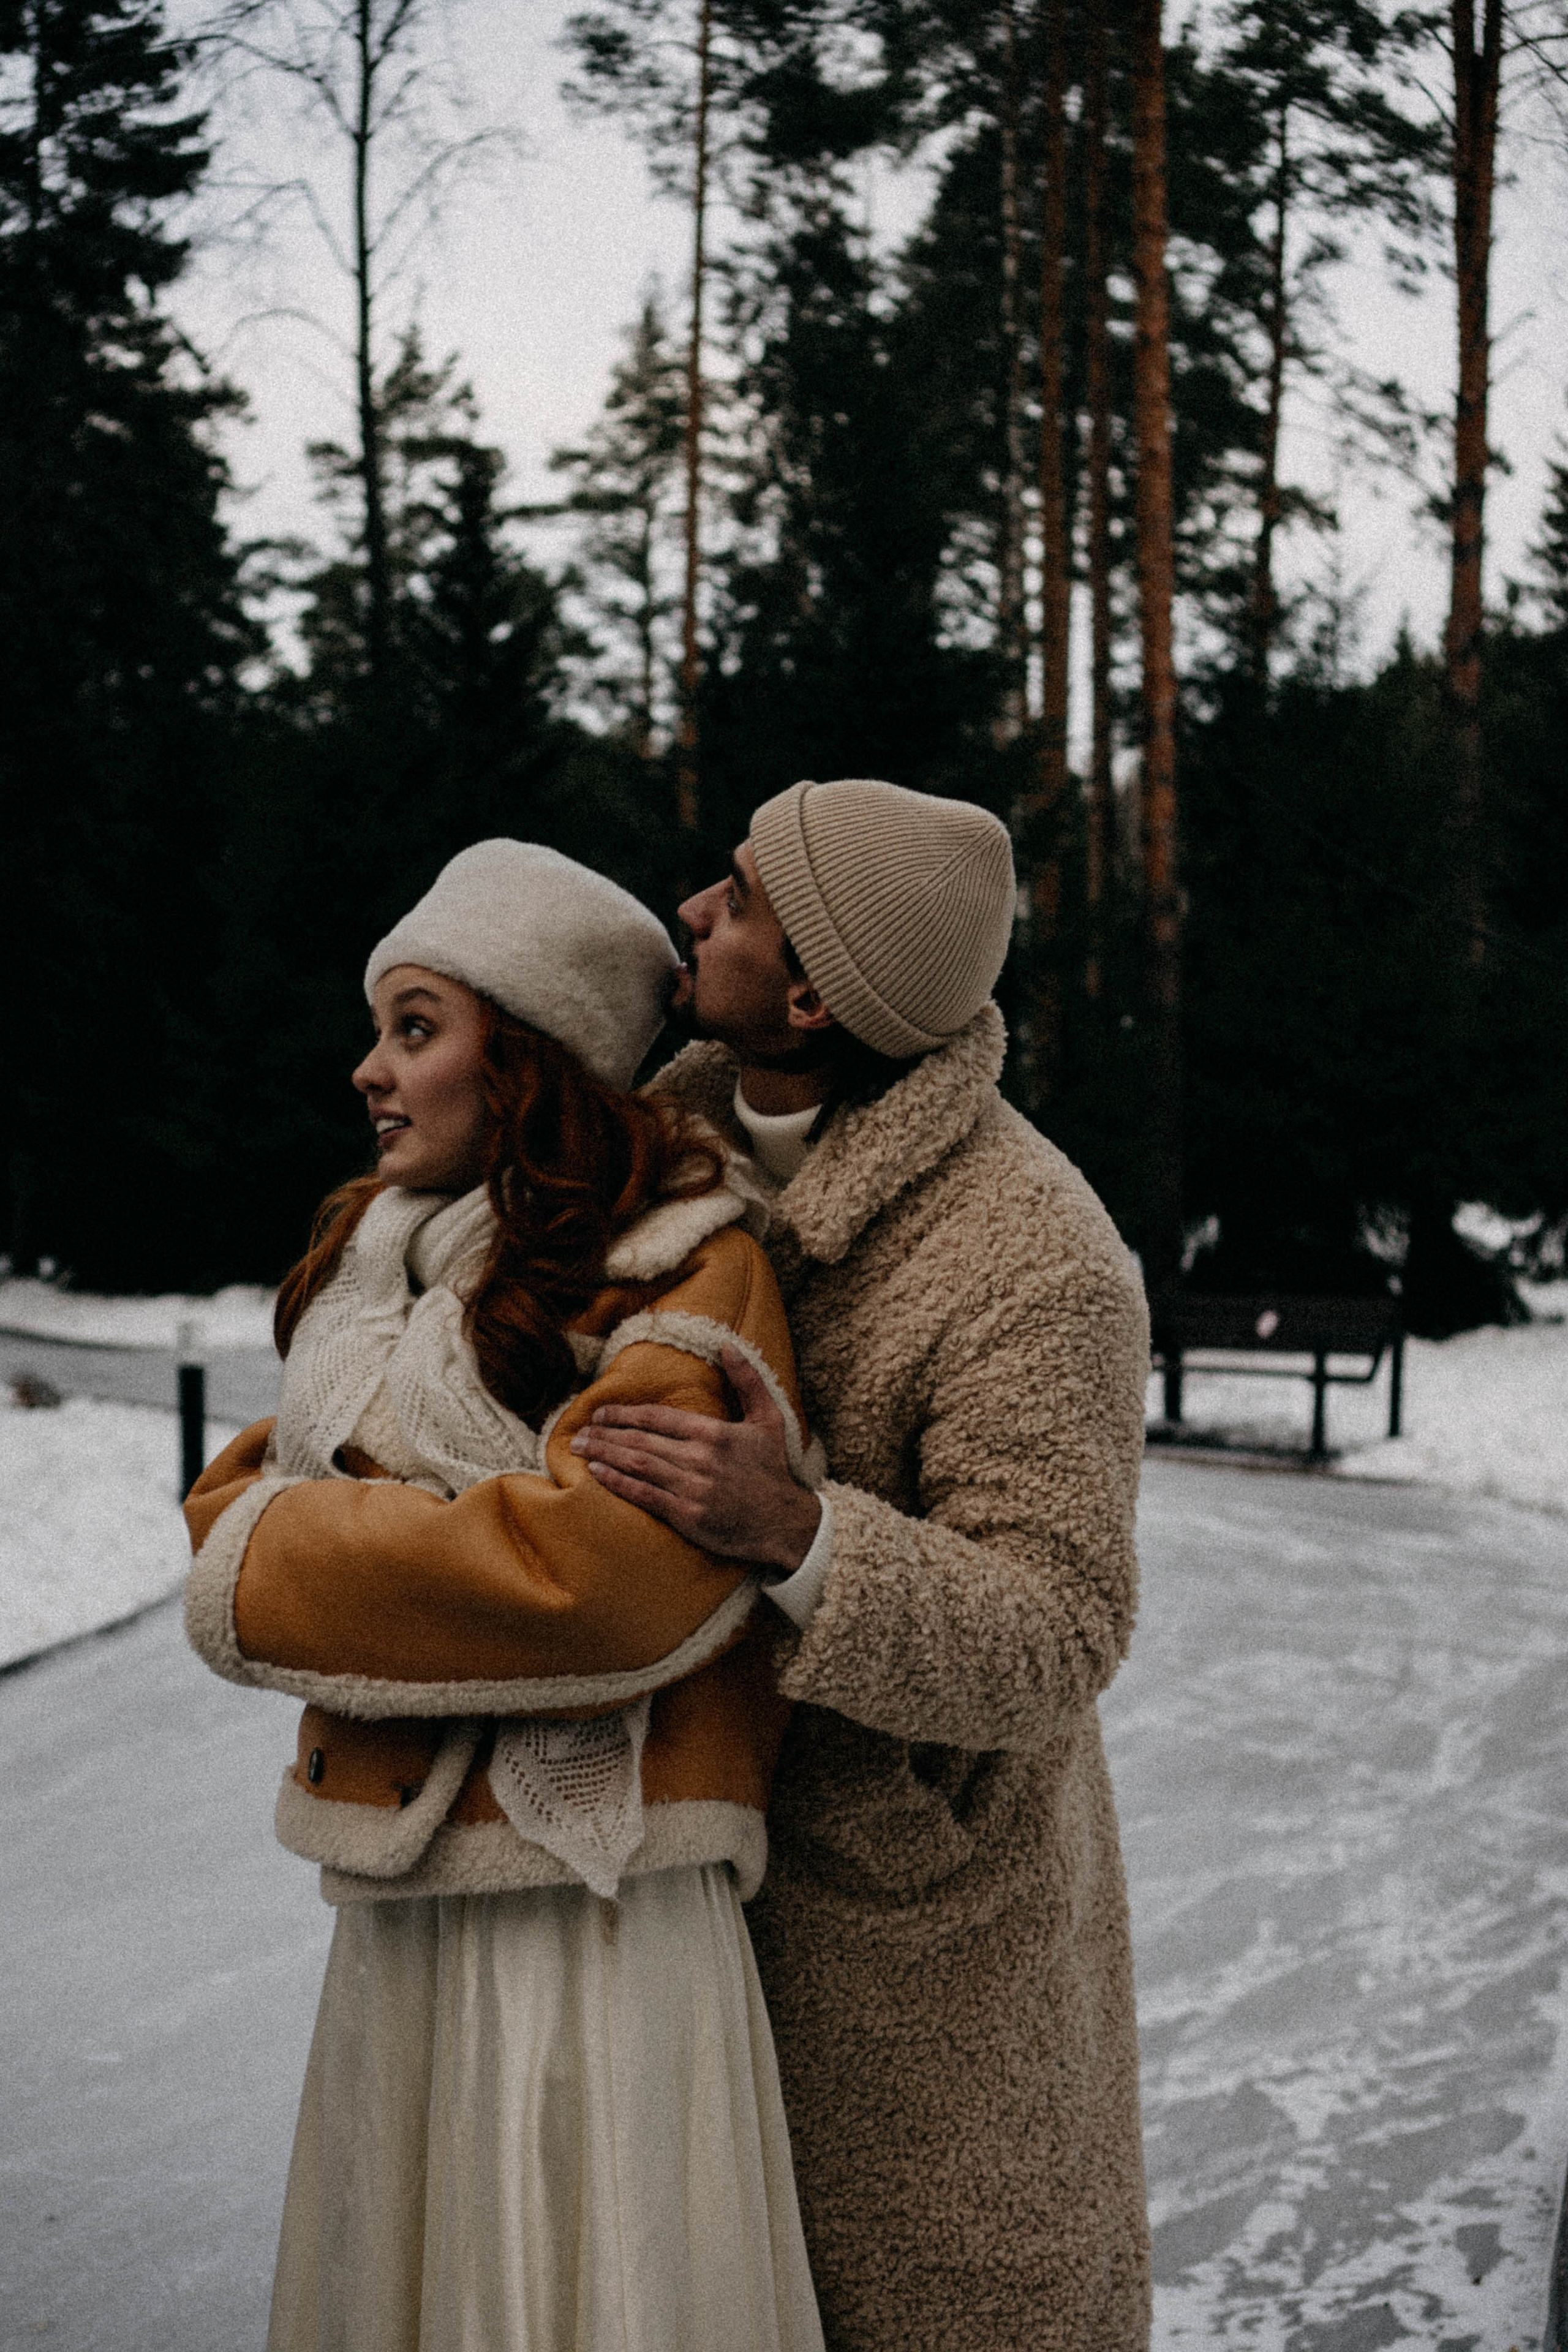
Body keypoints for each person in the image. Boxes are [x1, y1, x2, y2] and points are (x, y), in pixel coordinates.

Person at [181, 840, 826, 2352]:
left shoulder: (687, 1259)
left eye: (415, 1028)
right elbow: (230, 1504)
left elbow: (596, 1583)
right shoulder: (376, 1274)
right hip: (410, 1912)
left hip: (600, 1921)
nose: (370, 1071)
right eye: (379, 1031)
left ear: (526, 1059)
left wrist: (293, 1536)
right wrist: (383, 1523)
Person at [570, 778, 1153, 2352]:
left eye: (740, 898)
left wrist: (798, 1530)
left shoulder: (1036, 1253)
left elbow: (1056, 1629)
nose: (691, 910)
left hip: (905, 1951)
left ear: (812, 997)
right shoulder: (645, 1153)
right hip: (656, 1891)